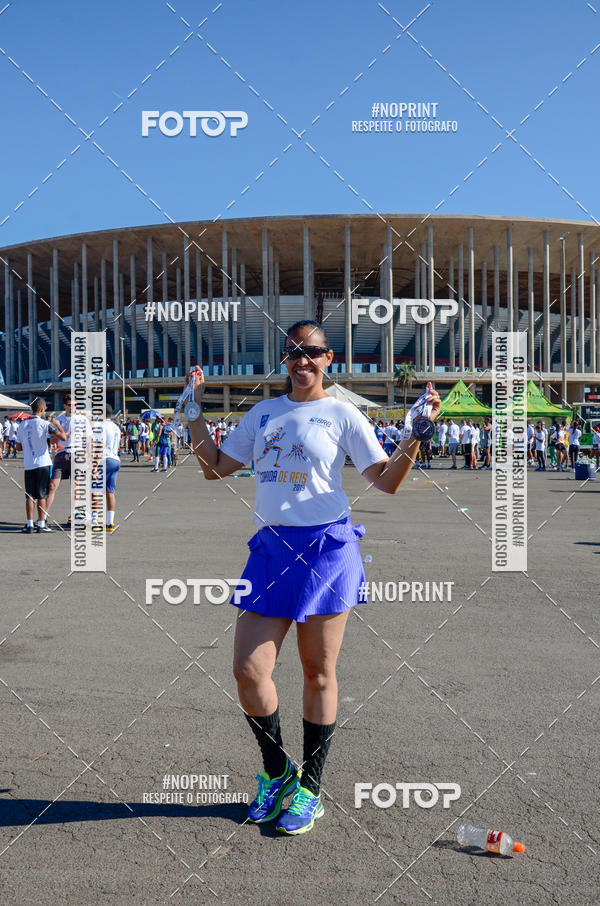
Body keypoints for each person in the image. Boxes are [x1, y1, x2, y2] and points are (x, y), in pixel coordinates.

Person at [186, 319, 440, 835]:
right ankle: (278, 771)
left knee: (317, 671)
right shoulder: (263, 413)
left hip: (326, 550)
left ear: (329, 359)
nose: (302, 361)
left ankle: (311, 790)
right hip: (271, 551)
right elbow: (213, 467)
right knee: (247, 670)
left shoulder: (342, 414)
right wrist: (192, 412)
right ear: (286, 360)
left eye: (312, 352)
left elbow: (386, 481)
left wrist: (415, 434)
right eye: (293, 352)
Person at [15, 397, 67, 533]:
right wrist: (57, 424)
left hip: (29, 464)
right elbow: (63, 437)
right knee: (42, 494)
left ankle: (30, 523)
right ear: (43, 409)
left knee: (30, 495)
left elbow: (18, 447)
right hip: (43, 463)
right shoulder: (45, 424)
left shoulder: (22, 425)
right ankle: (41, 523)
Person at [44, 393, 74, 526]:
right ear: (64, 405)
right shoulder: (59, 419)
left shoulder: (81, 420)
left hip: (77, 455)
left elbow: (89, 439)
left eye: (75, 404)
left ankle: (73, 516)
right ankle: (43, 517)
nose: (73, 407)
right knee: (52, 486)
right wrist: (62, 435)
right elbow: (51, 440)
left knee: (76, 488)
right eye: (70, 405)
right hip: (61, 455)